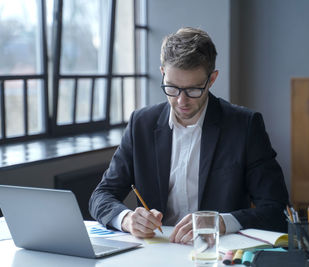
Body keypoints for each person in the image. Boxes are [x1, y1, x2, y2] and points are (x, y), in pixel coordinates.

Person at [89, 27, 288, 244]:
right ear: (163, 73)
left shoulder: (245, 126)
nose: (181, 101)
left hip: (216, 251)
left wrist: (220, 222)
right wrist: (126, 218)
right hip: (156, 252)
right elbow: (101, 196)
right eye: (172, 88)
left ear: (212, 80)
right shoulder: (141, 124)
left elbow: (277, 210)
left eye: (193, 90)